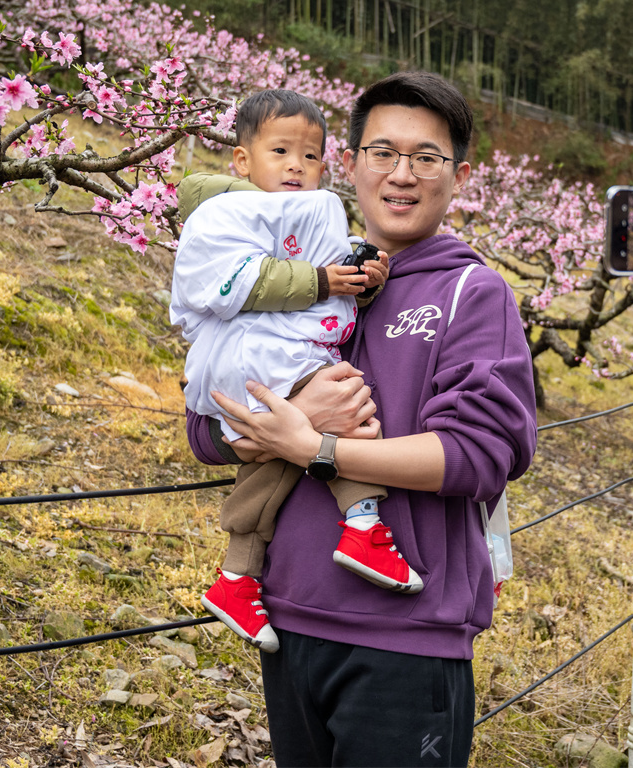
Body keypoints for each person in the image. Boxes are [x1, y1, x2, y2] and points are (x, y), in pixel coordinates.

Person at [186, 71, 538, 767]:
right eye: (382, 153)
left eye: (426, 158)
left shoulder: (473, 292)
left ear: (459, 175)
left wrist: (316, 447)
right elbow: (204, 431)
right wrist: (275, 420)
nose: (402, 175)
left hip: (407, 638)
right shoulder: (295, 275)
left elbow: (477, 455)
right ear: (348, 165)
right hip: (288, 620)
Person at [170, 89, 408, 656]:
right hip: (252, 357)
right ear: (242, 160)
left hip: (271, 356)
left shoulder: (309, 212)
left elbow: (325, 292)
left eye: (310, 155)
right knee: (347, 405)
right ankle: (364, 523)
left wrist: (358, 279)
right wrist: (325, 281)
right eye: (280, 151)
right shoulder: (227, 211)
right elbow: (240, 280)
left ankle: (236, 577)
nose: (297, 166)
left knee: (285, 447)